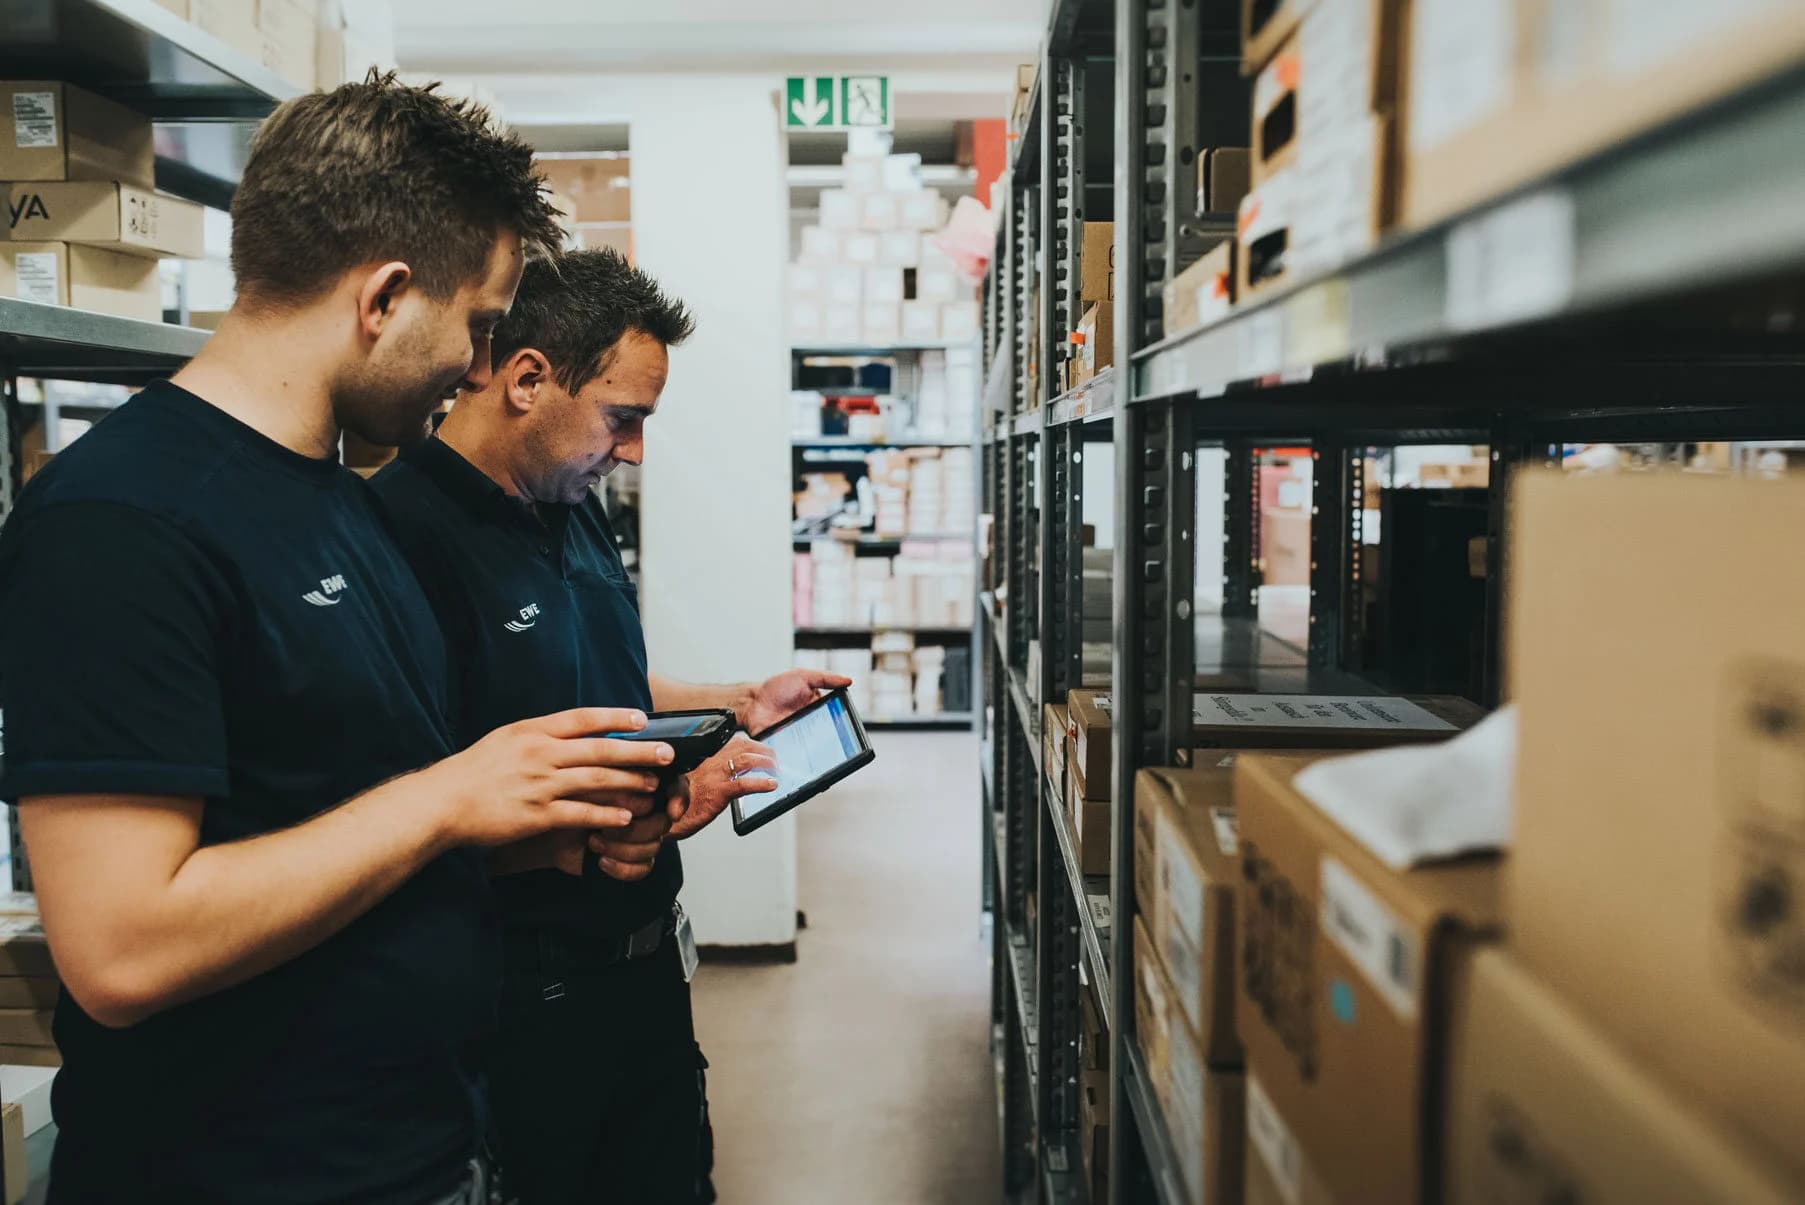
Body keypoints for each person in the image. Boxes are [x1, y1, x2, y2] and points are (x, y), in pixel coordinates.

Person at [0, 77, 675, 1205]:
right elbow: (120, 948)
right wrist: (455, 796)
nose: (474, 368)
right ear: (386, 296)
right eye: (474, 325)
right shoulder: (118, 522)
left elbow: (327, 812)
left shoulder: (343, 501)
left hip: (418, 1146)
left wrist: (544, 829)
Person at [371, 247, 851, 1204]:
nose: (632, 449)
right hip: (515, 1001)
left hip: (644, 977)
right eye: (622, 418)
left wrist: (733, 701)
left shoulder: (571, 502)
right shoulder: (397, 536)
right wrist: (580, 836)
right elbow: (382, 805)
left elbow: (601, 676)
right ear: (527, 379)